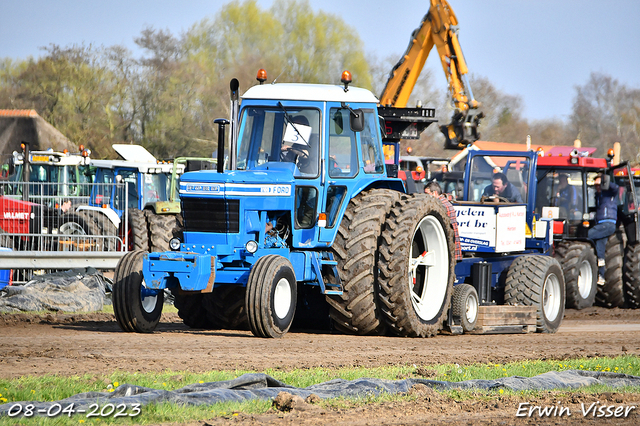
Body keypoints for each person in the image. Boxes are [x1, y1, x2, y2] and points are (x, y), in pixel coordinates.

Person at [588, 174, 619, 284]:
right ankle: (600, 276)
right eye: (595, 185)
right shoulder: (597, 196)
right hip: (600, 224)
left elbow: (616, 188)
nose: (597, 186)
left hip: (607, 223)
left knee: (587, 236)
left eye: (599, 184)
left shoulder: (610, 194)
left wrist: (605, 181)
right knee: (600, 248)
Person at [425, 181, 462, 261]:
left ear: (434, 193)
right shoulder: (445, 203)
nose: (425, 197)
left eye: (427, 194)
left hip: (447, 247)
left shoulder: (441, 206)